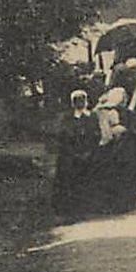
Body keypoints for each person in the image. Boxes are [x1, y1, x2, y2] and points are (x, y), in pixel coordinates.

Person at [51, 90, 97, 222]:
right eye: (77, 100)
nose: (80, 103)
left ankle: (85, 209)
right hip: (70, 157)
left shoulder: (91, 116)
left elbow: (95, 134)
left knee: (85, 182)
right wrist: (74, 153)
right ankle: (70, 211)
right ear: (73, 103)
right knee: (70, 183)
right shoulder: (67, 118)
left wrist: (89, 151)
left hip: (88, 154)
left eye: (82, 100)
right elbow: (63, 137)